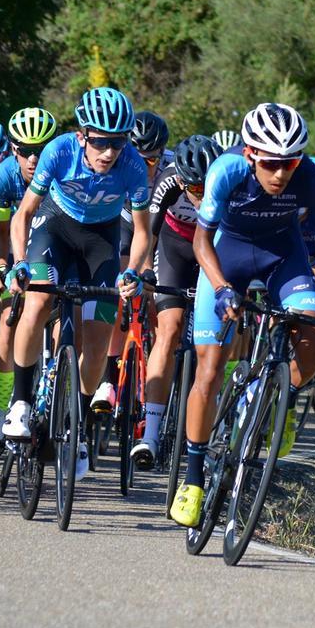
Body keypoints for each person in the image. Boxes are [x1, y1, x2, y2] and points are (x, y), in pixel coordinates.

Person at [167, 103, 315, 529]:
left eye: (289, 162)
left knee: (312, 344)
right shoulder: (226, 171)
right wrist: (220, 289)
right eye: (272, 163)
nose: (281, 173)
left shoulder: (312, 178)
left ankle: (281, 400)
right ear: (252, 154)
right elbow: (202, 242)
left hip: (283, 256)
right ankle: (194, 477)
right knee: (210, 367)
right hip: (228, 255)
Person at [3, 87, 153, 483]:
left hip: (100, 240)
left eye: (117, 141)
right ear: (83, 135)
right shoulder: (59, 151)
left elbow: (141, 233)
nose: (109, 152)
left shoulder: (133, 166)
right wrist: (18, 263)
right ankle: (19, 400)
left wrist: (133, 270)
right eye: (101, 141)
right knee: (36, 303)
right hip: (55, 226)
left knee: (100, 334)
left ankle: (79, 423)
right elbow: (24, 214)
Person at [129, 134, 224, 468]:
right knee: (168, 330)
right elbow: (148, 234)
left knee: (215, 338)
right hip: (174, 247)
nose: (200, 195)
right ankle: (150, 433)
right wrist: (144, 272)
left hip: (212, 248)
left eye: (205, 188)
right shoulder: (169, 180)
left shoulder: (228, 182)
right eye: (194, 189)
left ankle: (217, 427)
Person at [0, 107, 59, 441]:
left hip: (56, 245)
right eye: (24, 151)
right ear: (12, 150)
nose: (32, 159)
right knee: (6, 318)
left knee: (57, 312)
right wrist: (1, 267)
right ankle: (2, 407)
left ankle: (56, 389)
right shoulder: (3, 177)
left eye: (39, 151)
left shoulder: (59, 174)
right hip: (20, 249)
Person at [94, 110, 172, 414]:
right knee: (118, 292)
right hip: (123, 224)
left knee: (158, 303)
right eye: (137, 159)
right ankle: (108, 379)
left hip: (160, 229)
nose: (144, 167)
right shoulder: (115, 161)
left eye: (151, 160)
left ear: (163, 154)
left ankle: (154, 374)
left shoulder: (173, 166)